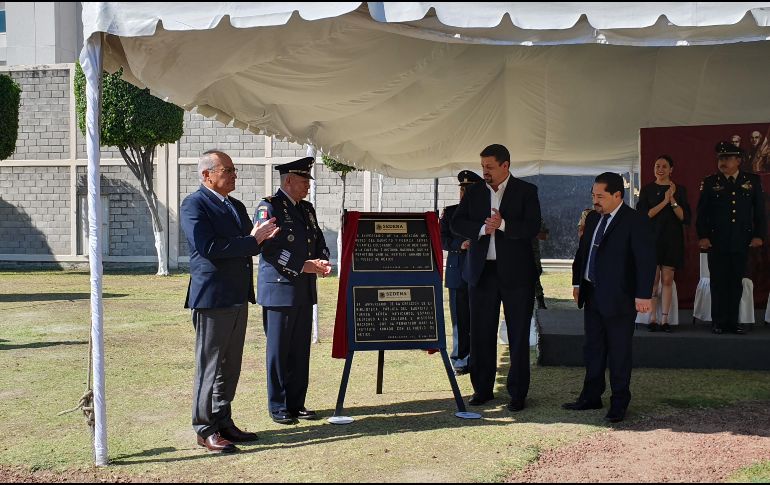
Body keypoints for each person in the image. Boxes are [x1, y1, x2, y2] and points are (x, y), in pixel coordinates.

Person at [180, 149, 280, 453]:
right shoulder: (194, 204)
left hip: (237, 295)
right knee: (209, 365)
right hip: (212, 297)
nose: (234, 175)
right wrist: (253, 240)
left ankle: (223, 420)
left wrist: (262, 238)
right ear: (207, 174)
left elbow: (248, 245)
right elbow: (209, 246)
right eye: (228, 170)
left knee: (230, 365)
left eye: (234, 170)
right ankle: (204, 428)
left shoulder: (235, 205)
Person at [452, 144, 542, 412]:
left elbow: (532, 226)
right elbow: (457, 223)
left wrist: (502, 225)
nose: (485, 171)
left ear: (505, 165)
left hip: (516, 274)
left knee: (517, 333)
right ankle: (482, 389)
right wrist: (481, 228)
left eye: (489, 167)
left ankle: (517, 393)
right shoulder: (475, 192)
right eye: (482, 166)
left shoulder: (527, 191)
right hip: (482, 272)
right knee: (481, 332)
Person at [563, 172, 655, 423]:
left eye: (600, 196)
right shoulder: (592, 218)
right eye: (593, 195)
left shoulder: (635, 221)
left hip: (620, 298)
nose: (596, 200)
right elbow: (582, 253)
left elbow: (645, 261)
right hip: (592, 294)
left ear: (617, 195)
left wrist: (643, 295)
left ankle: (619, 402)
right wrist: (577, 282)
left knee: (619, 351)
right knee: (592, 348)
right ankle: (591, 395)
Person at [254, 156, 332, 424]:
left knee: (300, 350)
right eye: (302, 182)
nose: (307, 187)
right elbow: (270, 249)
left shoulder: (307, 209)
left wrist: (322, 260)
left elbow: (318, 238)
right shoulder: (269, 207)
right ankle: (278, 406)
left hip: (303, 290)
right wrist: (304, 266)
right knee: (279, 351)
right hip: (279, 290)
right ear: (288, 180)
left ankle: (297, 403)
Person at [696, 142, 766, 335]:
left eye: (727, 158)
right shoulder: (711, 182)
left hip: (741, 239)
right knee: (718, 281)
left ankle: (733, 321)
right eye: (720, 158)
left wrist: (759, 234)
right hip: (717, 239)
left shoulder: (752, 181)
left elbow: (760, 212)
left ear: (738, 160)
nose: (723, 162)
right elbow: (702, 212)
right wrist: (702, 236)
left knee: (736, 281)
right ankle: (718, 321)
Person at [636, 155, 691, 332]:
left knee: (667, 280)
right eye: (657, 166)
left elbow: (684, 217)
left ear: (671, 169)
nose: (660, 169)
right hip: (651, 239)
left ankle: (665, 320)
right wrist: (665, 200)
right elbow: (645, 216)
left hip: (672, 240)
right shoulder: (647, 190)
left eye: (664, 166)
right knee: (653, 280)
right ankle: (652, 318)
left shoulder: (679, 190)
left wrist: (673, 200)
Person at [440, 169, 483, 376]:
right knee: (459, 319)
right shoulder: (449, 212)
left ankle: (478, 358)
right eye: (462, 190)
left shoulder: (485, 213)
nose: (464, 194)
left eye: (469, 190)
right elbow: (441, 240)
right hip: (457, 271)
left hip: (480, 271)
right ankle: (459, 359)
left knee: (479, 317)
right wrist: (460, 245)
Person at [533, 220, 550, 310]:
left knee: (535, 277)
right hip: (517, 254)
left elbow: (545, 236)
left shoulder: (536, 217)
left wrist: (532, 232)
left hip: (532, 254)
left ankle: (540, 302)